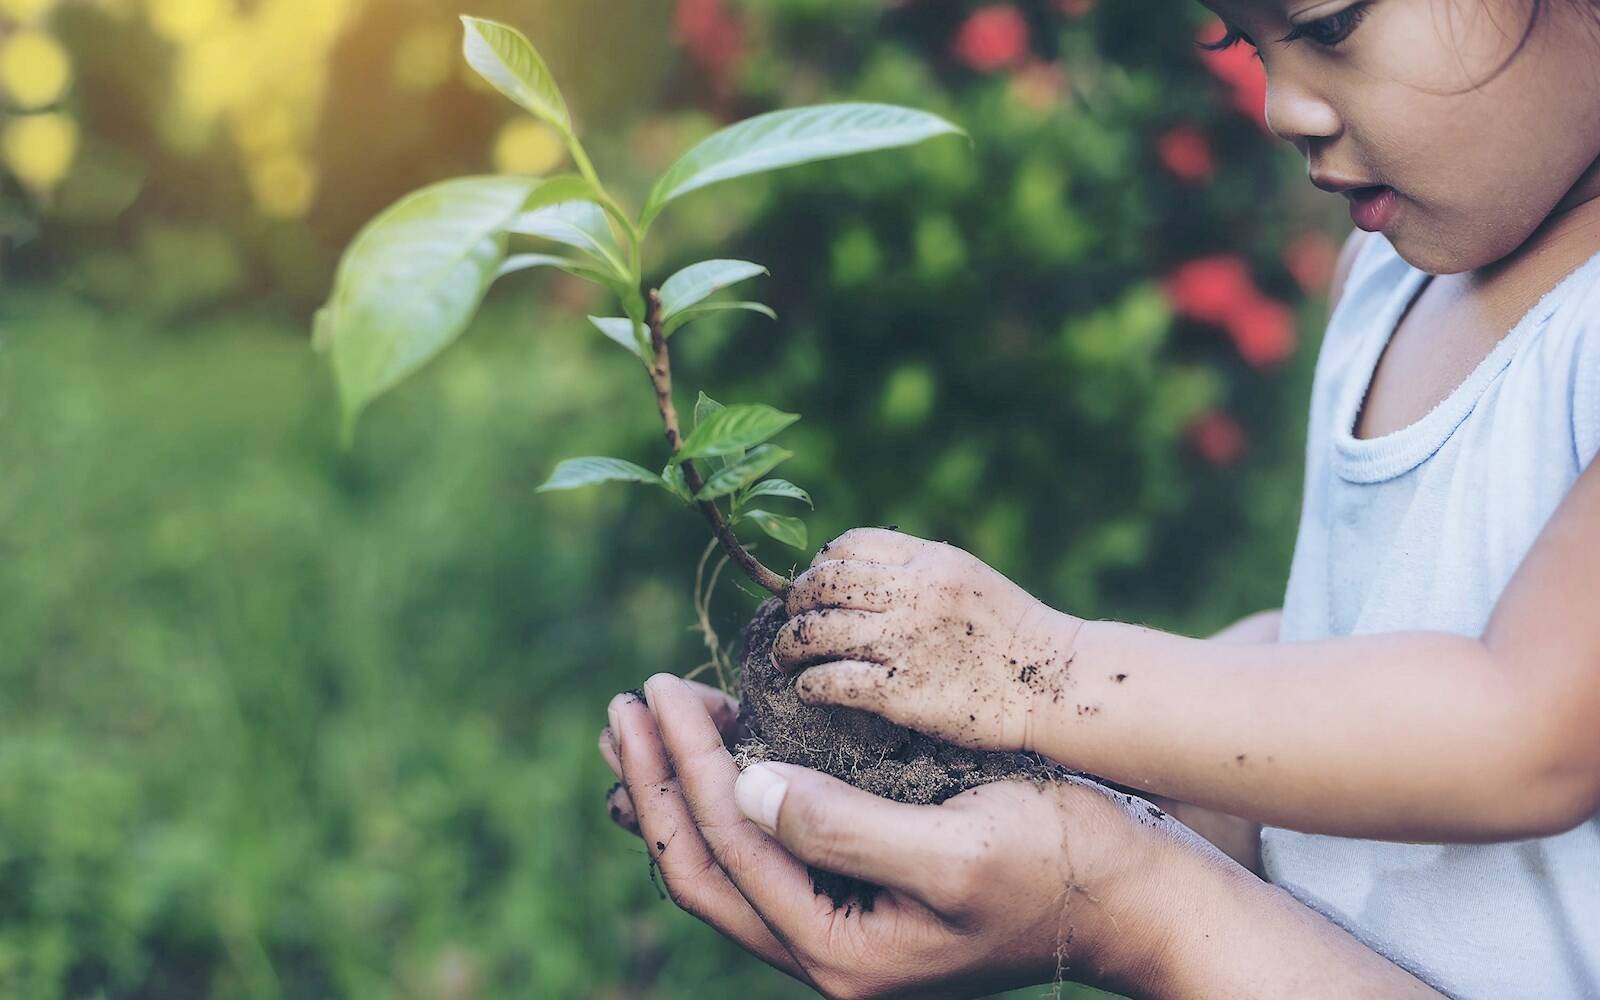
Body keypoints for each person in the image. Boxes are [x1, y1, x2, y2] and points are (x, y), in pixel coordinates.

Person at [599, 0, 1600, 994]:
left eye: (1330, 26)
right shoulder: (1386, 283)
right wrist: (995, 759)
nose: (1280, 106)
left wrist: (1044, 672)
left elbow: (1526, 728)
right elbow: (1336, 651)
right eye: (1242, 43)